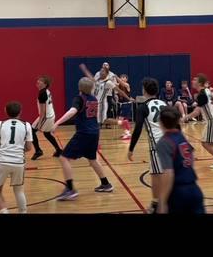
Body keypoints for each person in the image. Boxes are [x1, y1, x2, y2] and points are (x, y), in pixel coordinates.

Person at [52, 77, 114, 200]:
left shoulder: (79, 98)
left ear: (80, 87)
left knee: (64, 158)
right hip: (94, 132)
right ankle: (106, 184)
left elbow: (72, 111)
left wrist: (57, 123)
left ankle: (70, 190)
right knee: (92, 159)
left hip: (84, 133)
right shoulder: (94, 99)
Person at [156, 106, 205, 214]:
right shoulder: (181, 136)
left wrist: (162, 201)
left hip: (178, 193)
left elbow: (168, 173)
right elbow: (191, 155)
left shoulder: (164, 142)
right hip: (194, 189)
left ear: (161, 122)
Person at [128, 77, 166, 213]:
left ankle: (158, 204)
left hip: (157, 146)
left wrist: (131, 149)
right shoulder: (164, 103)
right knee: (159, 173)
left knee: (157, 174)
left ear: (144, 90)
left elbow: (138, 129)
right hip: (171, 142)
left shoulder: (143, 107)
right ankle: (157, 203)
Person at [0, 101, 33, 214]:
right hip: (19, 162)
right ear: (20, 112)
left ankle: (5, 212)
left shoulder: (0, 124)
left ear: (6, 111)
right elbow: (29, 147)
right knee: (19, 190)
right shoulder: (26, 125)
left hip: (3, 161)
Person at [80, 64, 133, 140]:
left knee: (103, 120)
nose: (101, 72)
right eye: (100, 71)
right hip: (95, 103)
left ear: (107, 73)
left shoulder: (108, 83)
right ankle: (123, 124)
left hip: (102, 104)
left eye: (103, 72)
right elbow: (91, 77)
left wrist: (128, 98)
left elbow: (120, 91)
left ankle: (123, 124)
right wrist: (85, 70)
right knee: (98, 120)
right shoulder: (98, 80)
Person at [31, 76, 63, 160]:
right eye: (38, 80)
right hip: (51, 115)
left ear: (45, 84)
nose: (38, 81)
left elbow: (43, 112)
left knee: (31, 131)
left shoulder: (42, 94)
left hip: (46, 116)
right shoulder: (46, 91)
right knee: (47, 134)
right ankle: (59, 150)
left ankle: (38, 151)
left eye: (40, 81)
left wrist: (39, 124)